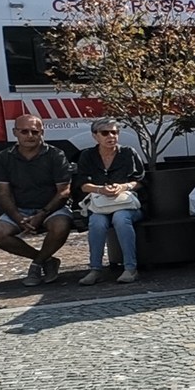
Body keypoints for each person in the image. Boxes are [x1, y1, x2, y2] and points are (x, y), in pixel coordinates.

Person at [0, 113, 74, 283]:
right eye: (24, 131)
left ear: (42, 133)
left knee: (61, 226)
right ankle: (46, 260)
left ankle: (36, 265)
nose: (30, 136)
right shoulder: (5, 156)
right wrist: (18, 218)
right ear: (15, 133)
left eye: (35, 132)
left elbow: (63, 191)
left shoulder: (56, 155)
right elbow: (3, 192)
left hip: (51, 208)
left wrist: (42, 214)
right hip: (20, 208)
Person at [73, 118, 143, 285]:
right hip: (100, 204)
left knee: (121, 218)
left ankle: (130, 268)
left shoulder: (128, 153)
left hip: (126, 204)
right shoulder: (87, 155)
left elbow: (140, 181)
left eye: (115, 132)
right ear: (95, 136)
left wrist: (124, 186)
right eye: (105, 133)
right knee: (96, 222)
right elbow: (81, 185)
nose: (111, 136)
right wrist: (100, 189)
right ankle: (95, 269)